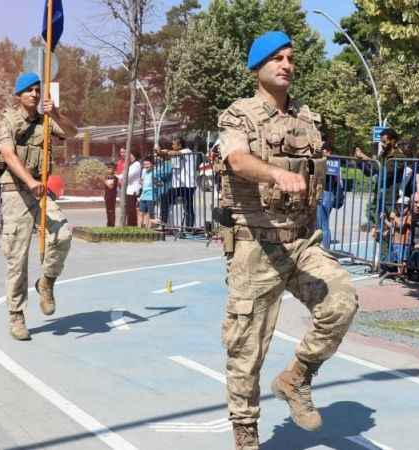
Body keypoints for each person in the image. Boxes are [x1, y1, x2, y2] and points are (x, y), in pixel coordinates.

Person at [215, 31, 358, 450]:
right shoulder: (237, 116)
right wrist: (274, 173)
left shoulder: (307, 119)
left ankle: (296, 379)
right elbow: (237, 159)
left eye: (290, 57)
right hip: (256, 246)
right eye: (276, 58)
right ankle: (245, 434)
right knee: (246, 348)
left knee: (342, 301)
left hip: (301, 243)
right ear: (257, 68)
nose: (286, 64)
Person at [0, 72, 77, 341]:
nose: (34, 94)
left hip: (40, 191)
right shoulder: (7, 121)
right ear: (18, 94)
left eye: (37, 90)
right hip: (17, 192)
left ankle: (47, 282)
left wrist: (57, 114)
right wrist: (29, 181)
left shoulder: (46, 120)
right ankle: (16, 315)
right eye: (28, 90)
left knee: (62, 234)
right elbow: (8, 153)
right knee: (17, 258)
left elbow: (74, 133)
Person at [160, 138, 198, 228]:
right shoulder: (176, 153)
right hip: (177, 184)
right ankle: (164, 223)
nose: (172, 146)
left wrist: (165, 151)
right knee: (165, 199)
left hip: (188, 184)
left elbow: (175, 153)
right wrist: (160, 153)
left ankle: (189, 227)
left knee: (188, 206)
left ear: (180, 145)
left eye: (174, 144)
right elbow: (166, 157)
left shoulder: (186, 151)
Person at [316, 143, 345, 248]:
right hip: (327, 194)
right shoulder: (330, 161)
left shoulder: (332, 162)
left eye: (322, 150)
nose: (320, 152)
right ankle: (323, 246)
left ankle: (325, 248)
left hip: (326, 193)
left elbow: (331, 179)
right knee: (321, 223)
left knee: (323, 224)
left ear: (328, 151)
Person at [116, 149, 141, 226]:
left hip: (132, 190)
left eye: (130, 154)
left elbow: (127, 176)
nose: (128, 156)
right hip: (127, 190)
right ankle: (129, 224)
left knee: (131, 210)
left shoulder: (137, 164)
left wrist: (116, 176)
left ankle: (132, 225)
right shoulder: (131, 164)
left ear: (134, 156)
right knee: (128, 210)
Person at [138, 156, 155, 228]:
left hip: (151, 195)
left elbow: (157, 183)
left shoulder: (155, 172)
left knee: (149, 213)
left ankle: (149, 228)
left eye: (148, 164)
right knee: (141, 212)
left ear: (152, 164)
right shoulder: (144, 171)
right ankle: (140, 228)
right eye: (144, 165)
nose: (146, 166)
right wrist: (141, 182)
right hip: (143, 194)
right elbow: (141, 180)